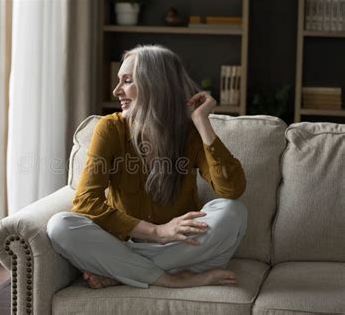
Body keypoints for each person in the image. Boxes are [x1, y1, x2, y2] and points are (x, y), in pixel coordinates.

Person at [46, 45, 247, 289]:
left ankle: (124, 272)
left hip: (180, 244)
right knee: (61, 226)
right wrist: (157, 232)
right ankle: (171, 278)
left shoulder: (189, 133)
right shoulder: (110, 129)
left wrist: (202, 121)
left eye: (127, 81)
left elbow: (232, 189)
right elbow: (86, 202)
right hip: (126, 242)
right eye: (119, 81)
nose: (116, 90)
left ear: (155, 85)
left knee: (233, 212)